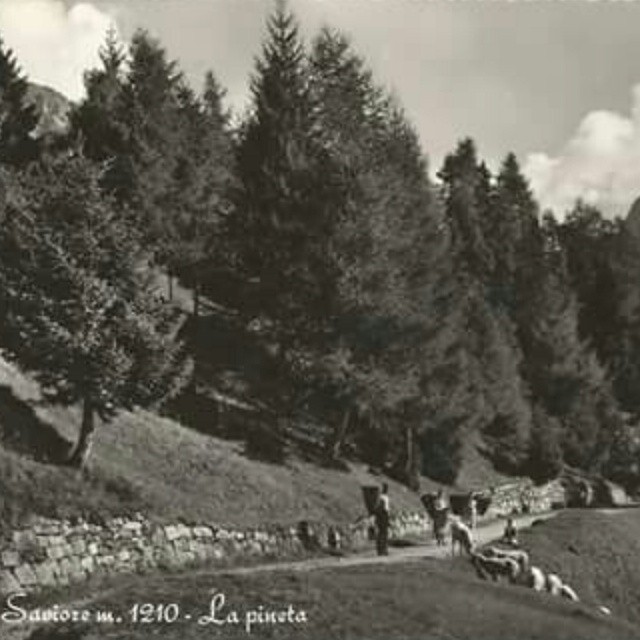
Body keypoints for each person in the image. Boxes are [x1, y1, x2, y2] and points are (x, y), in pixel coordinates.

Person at [375, 483, 391, 556]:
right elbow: (382, 507)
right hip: (383, 515)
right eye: (385, 488)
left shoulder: (385, 497)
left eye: (386, 488)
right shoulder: (382, 497)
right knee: (382, 533)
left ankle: (383, 549)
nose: (386, 490)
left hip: (385, 515)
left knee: (384, 533)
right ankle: (381, 550)